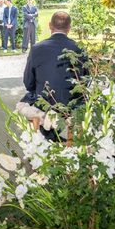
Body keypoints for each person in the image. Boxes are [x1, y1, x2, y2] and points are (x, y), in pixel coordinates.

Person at [21, 12, 86, 140]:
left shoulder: (37, 48)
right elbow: (85, 80)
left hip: (45, 103)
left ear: (50, 26)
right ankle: (70, 139)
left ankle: (40, 140)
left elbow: (28, 82)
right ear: (69, 28)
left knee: (27, 101)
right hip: (72, 104)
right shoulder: (79, 48)